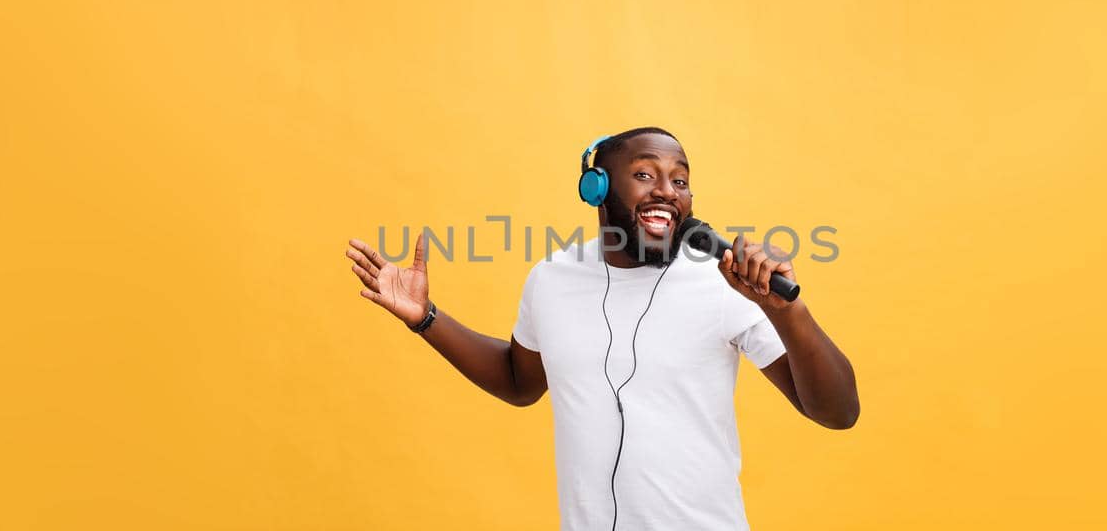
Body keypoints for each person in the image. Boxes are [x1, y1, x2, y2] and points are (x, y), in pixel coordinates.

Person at [346, 126, 858, 530]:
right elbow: (520, 382)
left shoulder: (725, 285)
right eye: (645, 175)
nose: (667, 191)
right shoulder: (551, 279)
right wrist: (427, 318)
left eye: (680, 180)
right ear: (597, 188)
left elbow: (837, 412)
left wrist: (787, 313)